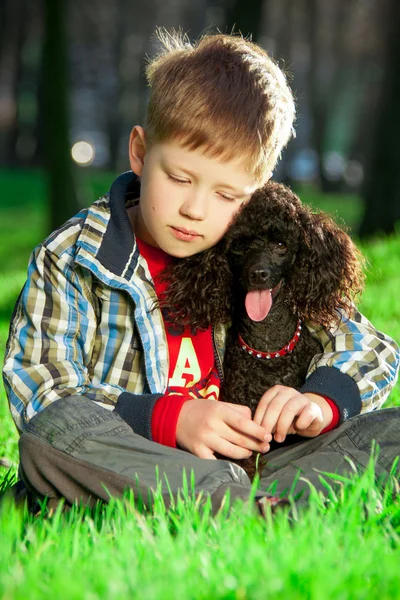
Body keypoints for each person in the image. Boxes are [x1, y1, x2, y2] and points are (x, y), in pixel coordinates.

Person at [2, 29, 400, 517]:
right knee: (51, 435)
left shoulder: (257, 259)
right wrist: (171, 419)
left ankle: (264, 505)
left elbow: (371, 348)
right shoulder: (75, 256)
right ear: (141, 153)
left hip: (260, 461)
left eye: (227, 196)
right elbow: (41, 389)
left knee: (392, 431)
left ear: (255, 192)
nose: (194, 209)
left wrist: (319, 401)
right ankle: (257, 509)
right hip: (141, 464)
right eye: (178, 178)